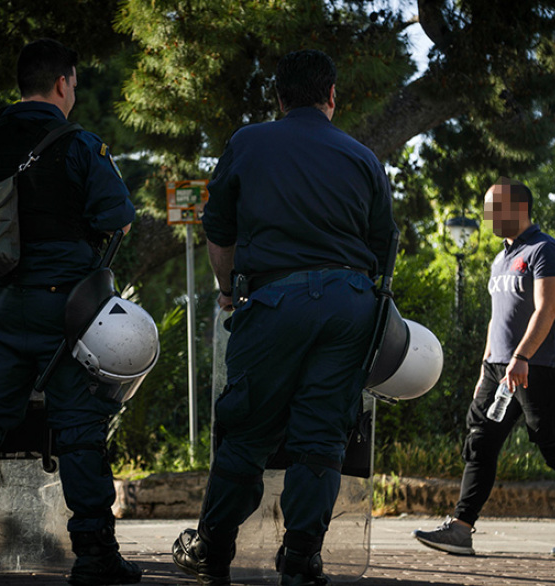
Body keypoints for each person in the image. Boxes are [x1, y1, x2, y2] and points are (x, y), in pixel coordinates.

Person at [171, 49, 397, 586]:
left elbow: (219, 230)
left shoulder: (248, 143)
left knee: (246, 430)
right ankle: (301, 557)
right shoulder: (363, 157)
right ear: (332, 97)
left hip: (273, 302)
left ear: (278, 98)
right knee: (321, 437)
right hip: (349, 304)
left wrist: (229, 292)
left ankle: (214, 548)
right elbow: (384, 246)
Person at [0, 38, 140, 586]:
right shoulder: (80, 146)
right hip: (66, 313)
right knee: (78, 428)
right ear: (64, 84)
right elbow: (118, 221)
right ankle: (94, 555)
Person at [412, 178, 555, 559]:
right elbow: (497, 319)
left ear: (519, 208)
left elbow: (547, 309)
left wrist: (521, 357)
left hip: (537, 367)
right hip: (499, 369)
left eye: (494, 208)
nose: (487, 216)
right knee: (480, 443)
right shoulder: (501, 257)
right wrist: (485, 367)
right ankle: (460, 528)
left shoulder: (545, 251)